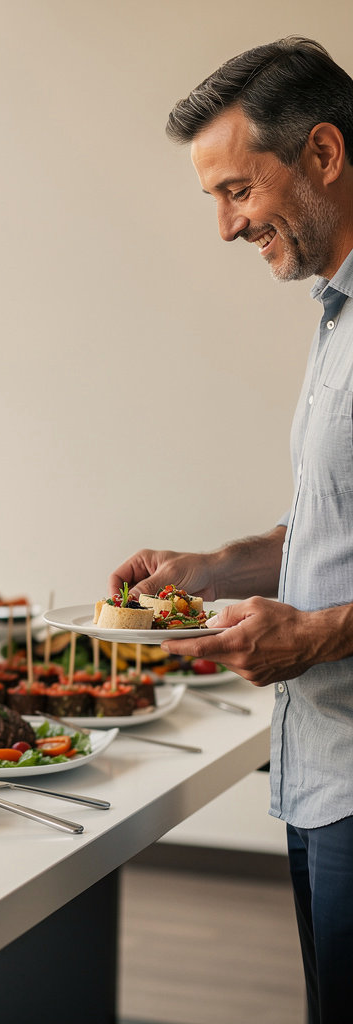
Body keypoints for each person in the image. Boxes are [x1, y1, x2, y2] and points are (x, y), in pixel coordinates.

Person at [108, 37, 353, 1024]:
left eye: (236, 191)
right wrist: (214, 565)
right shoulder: (335, 314)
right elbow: (333, 521)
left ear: (323, 155)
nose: (222, 226)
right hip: (318, 767)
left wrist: (311, 635)